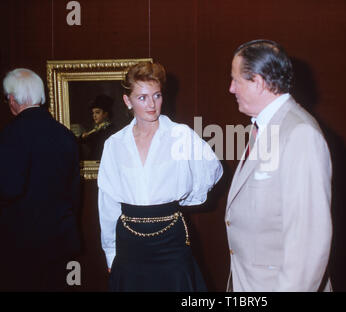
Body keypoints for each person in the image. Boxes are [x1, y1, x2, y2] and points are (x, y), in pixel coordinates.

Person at [97, 61, 223, 291]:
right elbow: (108, 201)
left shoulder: (180, 135)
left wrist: (184, 198)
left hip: (170, 240)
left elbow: (211, 169)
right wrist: (110, 253)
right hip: (129, 244)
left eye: (156, 96)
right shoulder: (115, 144)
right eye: (142, 97)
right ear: (128, 101)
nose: (152, 104)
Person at [225, 40, 333, 291]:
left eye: (236, 80)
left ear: (258, 82)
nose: (231, 88)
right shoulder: (264, 127)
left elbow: (308, 245)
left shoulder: (300, 134)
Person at [0, 68, 81, 291]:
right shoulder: (65, 134)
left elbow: (9, 189)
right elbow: (74, 194)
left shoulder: (10, 135)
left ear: (13, 99)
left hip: (21, 244)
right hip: (60, 240)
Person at [80, 94, 116, 159]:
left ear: (105, 114)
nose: (94, 116)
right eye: (93, 113)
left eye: (97, 112)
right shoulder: (95, 129)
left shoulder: (111, 129)